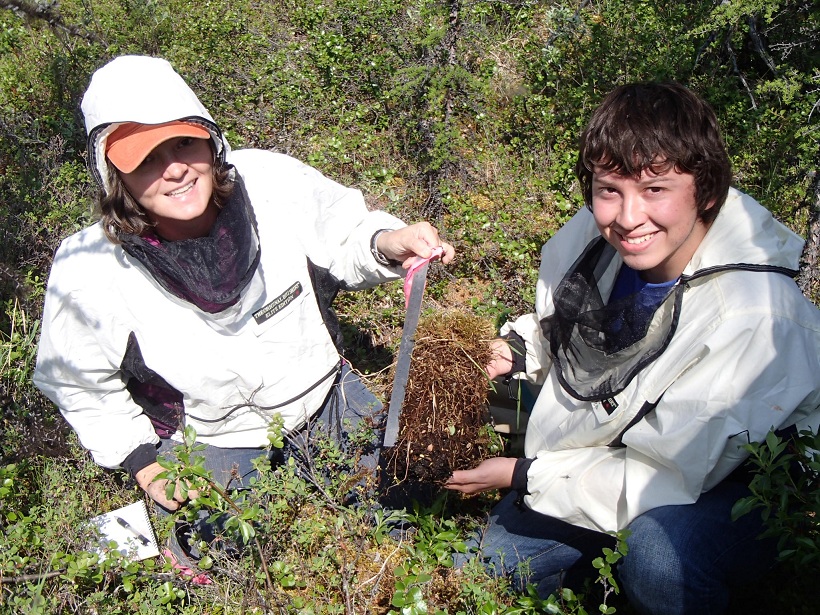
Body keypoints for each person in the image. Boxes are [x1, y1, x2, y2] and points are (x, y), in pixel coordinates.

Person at [33, 55, 453, 552]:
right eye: (146, 159)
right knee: (226, 561)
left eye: (184, 142)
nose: (175, 170)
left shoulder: (270, 180)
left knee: (413, 511)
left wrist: (387, 241)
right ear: (114, 177)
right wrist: (142, 459)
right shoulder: (90, 267)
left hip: (324, 396)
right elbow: (75, 380)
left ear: (211, 140)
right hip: (214, 436)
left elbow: (343, 232)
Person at [445, 82, 820, 614]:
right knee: (478, 572)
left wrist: (521, 475)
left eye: (656, 190)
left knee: (659, 557)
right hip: (618, 450)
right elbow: (567, 322)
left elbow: (669, 473)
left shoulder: (753, 315)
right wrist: (513, 350)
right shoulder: (596, 239)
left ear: (707, 190)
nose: (627, 216)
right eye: (608, 189)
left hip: (733, 483)